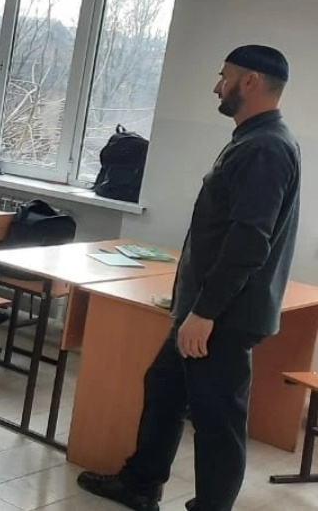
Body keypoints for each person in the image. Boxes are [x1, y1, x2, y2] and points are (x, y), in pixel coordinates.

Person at [77, 45, 301, 511]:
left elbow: (248, 242)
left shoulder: (265, 148)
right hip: (206, 308)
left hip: (222, 316)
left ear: (250, 81)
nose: (217, 87)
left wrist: (205, 312)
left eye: (225, 76)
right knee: (164, 388)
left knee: (218, 421)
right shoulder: (255, 139)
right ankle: (141, 484)